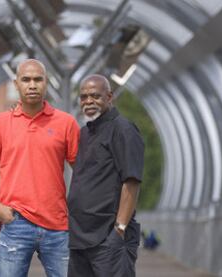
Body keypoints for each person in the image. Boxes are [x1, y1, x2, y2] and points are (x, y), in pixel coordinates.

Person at [0, 59, 80, 277]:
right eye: (26, 80)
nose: (32, 85)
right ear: (16, 84)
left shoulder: (66, 123)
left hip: (58, 225)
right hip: (15, 223)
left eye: (38, 79)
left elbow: (83, 173)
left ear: (46, 83)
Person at [67, 74, 144, 277]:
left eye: (95, 96)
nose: (88, 101)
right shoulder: (84, 133)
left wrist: (119, 230)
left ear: (109, 97)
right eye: (83, 97)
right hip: (79, 239)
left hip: (108, 238)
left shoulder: (123, 130)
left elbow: (132, 181)